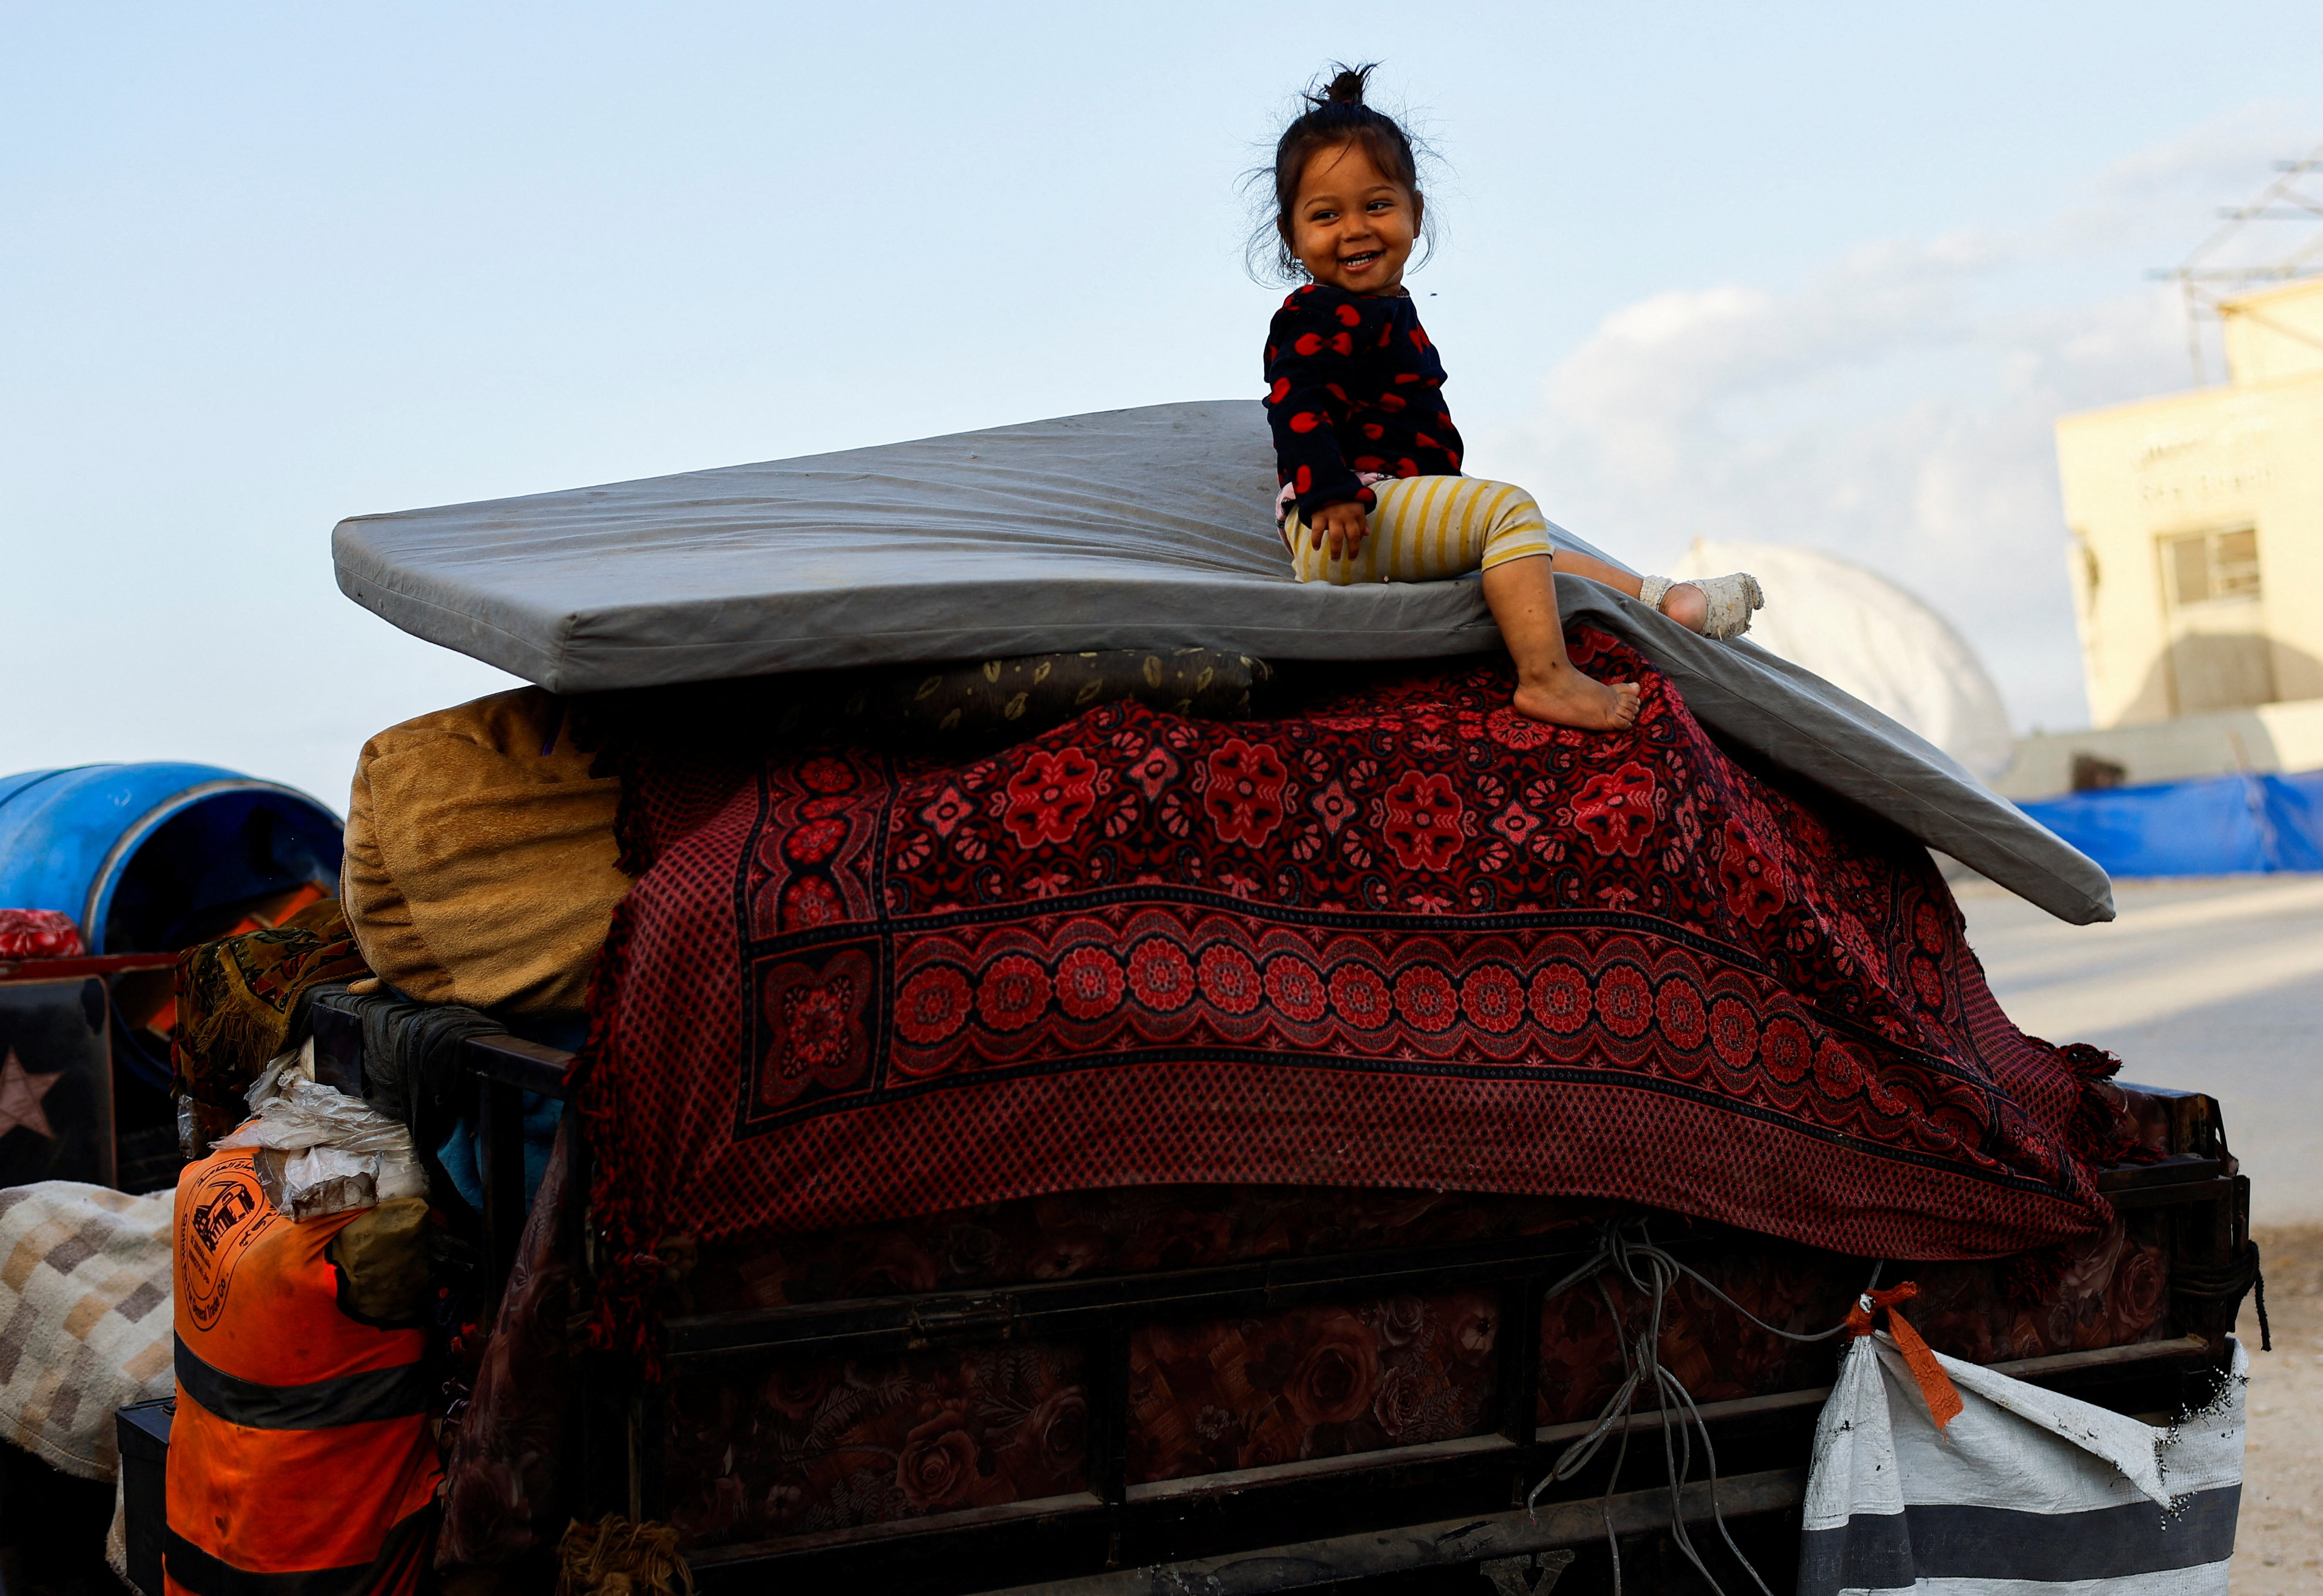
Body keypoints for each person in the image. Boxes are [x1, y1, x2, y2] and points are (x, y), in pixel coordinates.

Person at [1260, 65, 1765, 730]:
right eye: (1326, 216)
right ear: (1293, 238)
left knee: (1533, 553)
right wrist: (1325, 489)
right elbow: (1296, 401)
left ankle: (1664, 600)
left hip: (1389, 513)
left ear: (1416, 213)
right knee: (1510, 512)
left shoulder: (1393, 312)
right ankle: (1547, 679)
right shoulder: (1316, 312)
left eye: (1377, 206)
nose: (1354, 229)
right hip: (1348, 518)